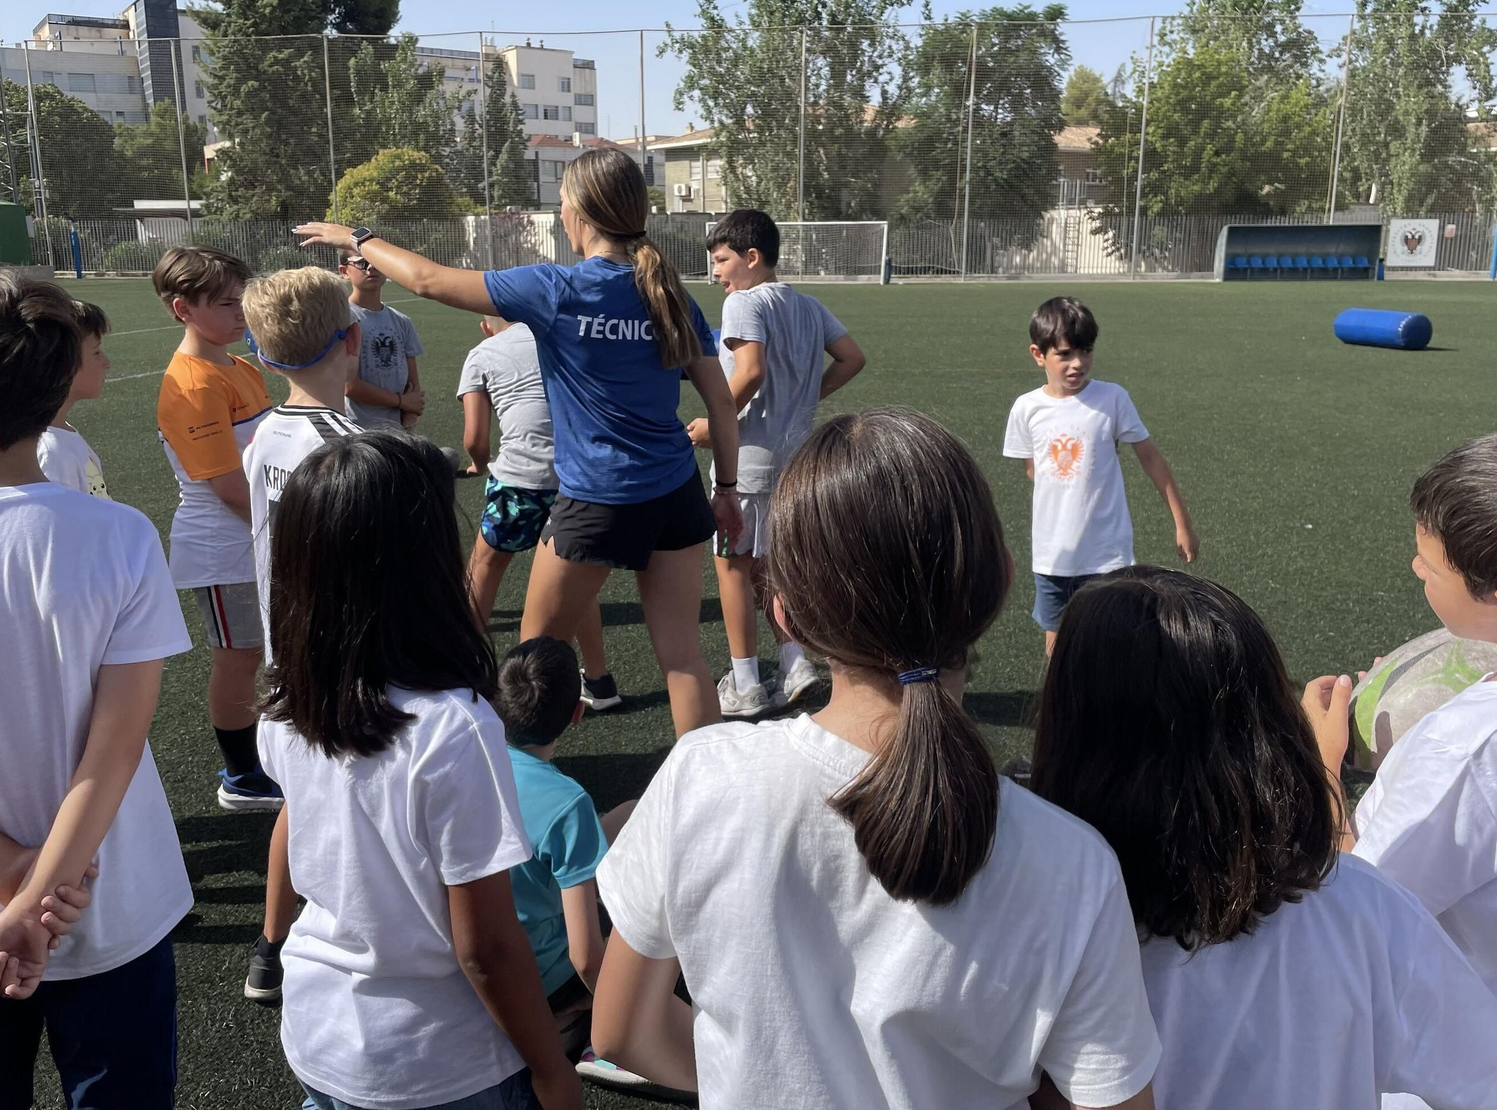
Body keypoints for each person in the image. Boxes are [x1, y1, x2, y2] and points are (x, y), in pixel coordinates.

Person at [590, 408, 1160, 1110]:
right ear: (1003, 580)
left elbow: (621, 1031)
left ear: (784, 615)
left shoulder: (700, 777)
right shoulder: (1074, 863)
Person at [1031, 567, 1497, 1110]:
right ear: (1271, 725)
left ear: (1065, 736)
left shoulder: (1033, 929)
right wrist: (1325, 770)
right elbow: (1490, 1092)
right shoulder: (1361, 906)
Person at [295, 147, 743, 737]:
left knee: (533, 663)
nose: (560, 214)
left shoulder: (558, 287)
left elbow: (427, 280)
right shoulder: (668, 292)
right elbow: (721, 403)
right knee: (684, 659)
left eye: (562, 203)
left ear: (580, 212)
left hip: (597, 499)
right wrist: (726, 489)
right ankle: (705, 792)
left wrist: (356, 237)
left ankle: (527, 785)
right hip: (676, 492)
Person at [256, 430, 583, 1110]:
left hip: (318, 1034)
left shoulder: (288, 703)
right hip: (438, 1061)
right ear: (424, 566)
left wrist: (271, 938)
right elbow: (487, 946)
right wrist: (552, 1070)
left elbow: (295, 826)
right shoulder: (455, 727)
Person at [0, 270, 194, 1107]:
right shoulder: (119, 536)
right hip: (111, 902)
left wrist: (12, 878)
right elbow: (114, 748)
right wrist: (42, 890)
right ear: (56, 391)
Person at [1343, 429, 1497, 1104]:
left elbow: (1355, 918)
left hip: (1471, 1079)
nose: (1415, 569)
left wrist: (1321, 767)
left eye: (1430, 567)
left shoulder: (1467, 752)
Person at [238, 266, 364, 1006]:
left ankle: (270, 947)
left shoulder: (263, 436)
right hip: (352, 676)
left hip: (284, 669)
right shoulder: (354, 448)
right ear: (353, 339)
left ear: (260, 354)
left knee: (299, 803)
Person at [689, 209, 867, 718]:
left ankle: (746, 682)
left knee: (732, 568)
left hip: (747, 462)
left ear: (751, 257)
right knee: (771, 569)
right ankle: (794, 664)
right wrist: (808, 396)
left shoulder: (743, 302)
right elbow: (852, 357)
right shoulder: (807, 304)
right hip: (795, 460)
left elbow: (749, 372)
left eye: (721, 260)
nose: (715, 273)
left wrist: (715, 422)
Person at [153, 244, 278, 810]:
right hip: (225, 545)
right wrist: (291, 531)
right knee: (239, 656)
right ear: (183, 309)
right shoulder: (192, 383)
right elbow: (228, 488)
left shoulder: (239, 365)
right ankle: (242, 777)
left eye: (241, 301)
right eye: (226, 304)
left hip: (259, 533)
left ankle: (269, 759)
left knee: (266, 652)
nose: (241, 313)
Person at [1002, 296, 1198, 655]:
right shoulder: (1026, 409)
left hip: (1109, 555)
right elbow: (1034, 470)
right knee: (1057, 645)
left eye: (1086, 351)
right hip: (1053, 555)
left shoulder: (1112, 399)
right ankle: (1060, 694)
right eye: (1065, 354)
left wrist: (1182, 522)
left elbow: (1151, 458)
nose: (1078, 363)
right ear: (1038, 354)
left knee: (1114, 642)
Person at [458, 315, 619, 711]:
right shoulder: (563, 339)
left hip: (520, 478)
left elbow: (476, 439)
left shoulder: (483, 352)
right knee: (574, 576)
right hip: (575, 477)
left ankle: (462, 675)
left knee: (484, 566)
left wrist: (479, 464)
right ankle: (599, 682)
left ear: (486, 325)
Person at [496, 639, 636, 1041]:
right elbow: (585, 958)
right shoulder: (566, 804)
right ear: (578, 713)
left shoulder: (464, 760)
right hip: (540, 980)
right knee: (653, 950)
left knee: (632, 812)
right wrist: (619, 1013)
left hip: (477, 965)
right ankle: (590, 1035)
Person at [339, 249, 425, 430]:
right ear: (344, 271)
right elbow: (349, 386)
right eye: (361, 263)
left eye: (377, 261)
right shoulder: (341, 318)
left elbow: (413, 385)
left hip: (396, 429)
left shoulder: (402, 321)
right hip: (357, 430)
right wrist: (401, 401)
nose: (371, 267)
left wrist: (408, 423)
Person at [37, 299, 111, 497]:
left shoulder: (63, 433)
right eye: (96, 352)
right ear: (63, 364)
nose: (106, 362)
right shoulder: (51, 453)